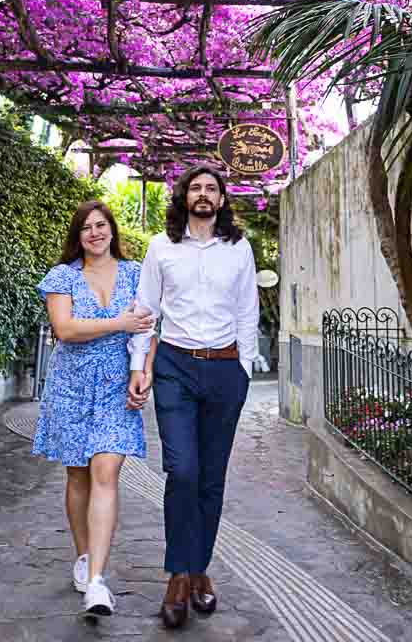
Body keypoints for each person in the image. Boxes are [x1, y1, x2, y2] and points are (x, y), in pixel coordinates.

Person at [127, 165, 258, 629]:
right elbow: (145, 310)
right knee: (182, 470)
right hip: (176, 368)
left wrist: (243, 370)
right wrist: (138, 366)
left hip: (225, 368)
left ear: (221, 199)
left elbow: (248, 311)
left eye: (212, 188)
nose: (203, 194)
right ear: (184, 196)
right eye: (196, 187)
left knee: (211, 478)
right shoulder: (162, 247)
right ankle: (177, 575)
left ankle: (199, 568)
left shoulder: (238, 248)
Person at [32, 200, 155, 622]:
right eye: (86, 228)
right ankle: (83, 556)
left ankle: (98, 580)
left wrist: (145, 370)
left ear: (112, 230)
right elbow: (64, 329)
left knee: (106, 473)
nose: (95, 233)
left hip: (116, 391)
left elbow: (149, 327)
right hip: (69, 388)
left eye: (101, 225)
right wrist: (118, 324)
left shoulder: (137, 273)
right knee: (78, 474)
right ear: (77, 235)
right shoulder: (62, 276)